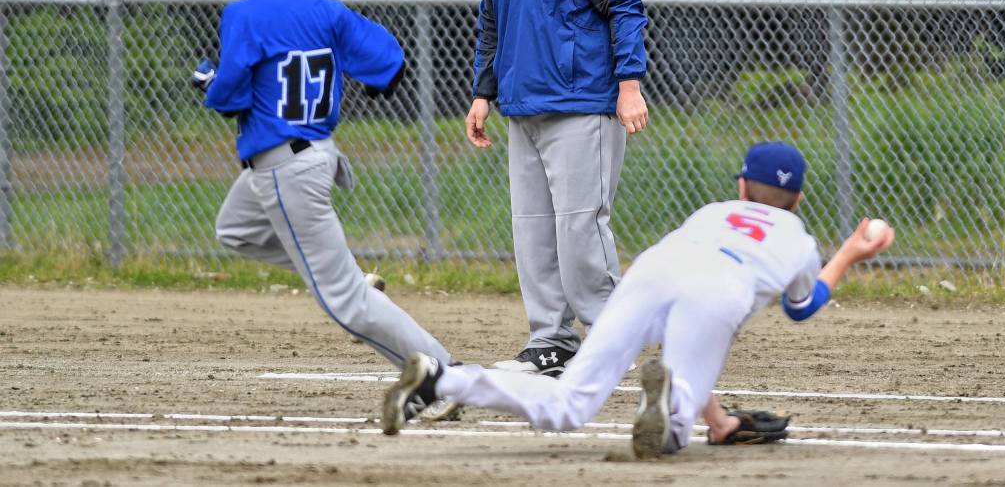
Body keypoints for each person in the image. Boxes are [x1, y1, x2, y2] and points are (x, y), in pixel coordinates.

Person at [381, 142, 896, 458]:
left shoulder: (713, 211)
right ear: (799, 199)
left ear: (741, 185)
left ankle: (441, 378)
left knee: (569, 404)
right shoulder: (798, 241)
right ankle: (669, 405)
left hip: (653, 271)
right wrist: (849, 252)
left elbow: (686, 290)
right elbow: (800, 307)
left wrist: (721, 422)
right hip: (720, 291)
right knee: (670, 435)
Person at [191, 0, 455, 373]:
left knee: (347, 304)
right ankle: (345, 273)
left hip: (284, 167)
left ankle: (440, 373)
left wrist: (210, 82)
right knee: (235, 229)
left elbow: (229, 99)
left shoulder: (244, 14)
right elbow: (388, 66)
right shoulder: (327, 9)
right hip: (315, 153)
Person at [465, 0, 650, 376]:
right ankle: (551, 341)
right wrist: (483, 93)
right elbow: (490, 23)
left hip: (581, 104)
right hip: (523, 108)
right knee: (533, 230)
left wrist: (629, 83)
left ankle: (612, 338)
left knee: (579, 229)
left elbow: (625, 6)